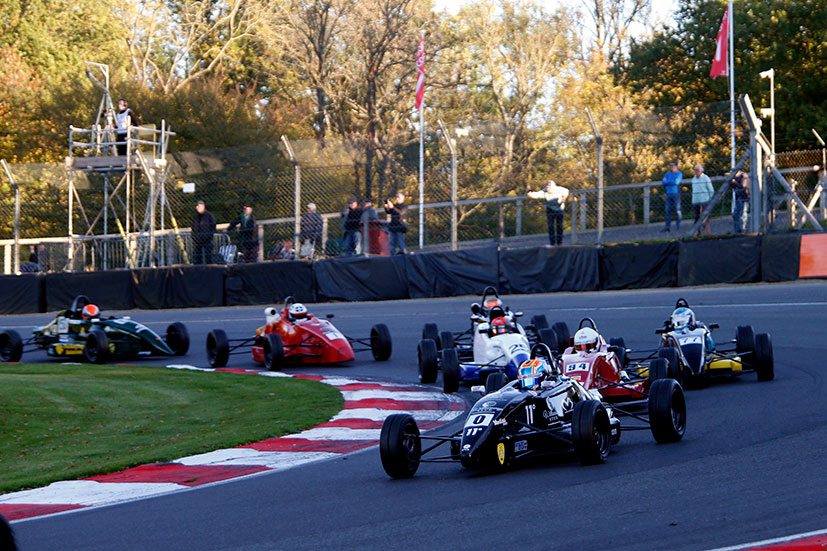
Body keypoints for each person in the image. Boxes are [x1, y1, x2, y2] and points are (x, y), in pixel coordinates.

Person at [528, 180, 570, 246]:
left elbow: (567, 192)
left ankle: (559, 243)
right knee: (551, 226)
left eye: (550, 189)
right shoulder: (544, 192)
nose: (548, 190)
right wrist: (529, 193)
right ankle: (552, 243)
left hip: (559, 209)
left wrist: (563, 199)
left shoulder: (559, 189)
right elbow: (535, 195)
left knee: (559, 226)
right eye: (547, 189)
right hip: (550, 209)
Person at [691, 164, 715, 236]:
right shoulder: (694, 179)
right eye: (695, 170)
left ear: (701, 171)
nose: (696, 172)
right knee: (696, 217)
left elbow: (711, 190)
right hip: (696, 201)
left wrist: (708, 198)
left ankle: (707, 232)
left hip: (704, 201)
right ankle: (697, 232)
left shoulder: (706, 178)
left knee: (705, 218)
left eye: (697, 170)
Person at [192, 200, 216, 264]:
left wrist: (209, 236)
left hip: (207, 240)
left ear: (203, 206)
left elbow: (213, 226)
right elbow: (194, 228)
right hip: (198, 241)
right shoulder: (195, 216)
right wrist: (194, 237)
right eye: (196, 206)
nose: (197, 207)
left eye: (198, 206)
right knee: (197, 258)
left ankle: (209, 270)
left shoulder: (209, 215)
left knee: (208, 257)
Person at [661, 161, 683, 232]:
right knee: (668, 211)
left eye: (673, 165)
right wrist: (671, 181)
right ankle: (667, 227)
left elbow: (676, 182)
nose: (671, 167)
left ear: (676, 166)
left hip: (676, 193)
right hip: (668, 193)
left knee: (677, 210)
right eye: (670, 166)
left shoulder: (679, 174)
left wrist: (668, 181)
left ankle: (678, 226)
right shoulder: (668, 173)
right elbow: (663, 182)